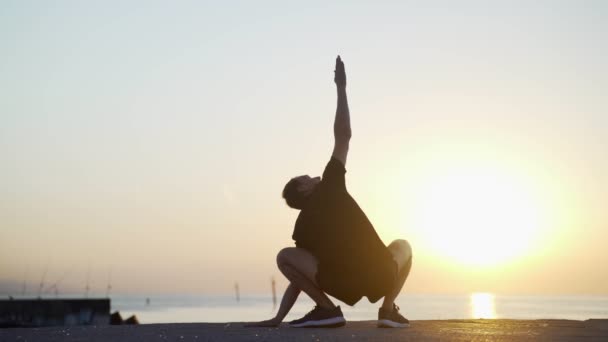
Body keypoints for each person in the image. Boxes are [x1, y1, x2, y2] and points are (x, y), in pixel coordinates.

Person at [247, 56, 413, 329]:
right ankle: (386, 310)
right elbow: (343, 135)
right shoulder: (330, 186)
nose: (313, 175)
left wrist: (279, 318)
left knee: (285, 256)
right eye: (306, 177)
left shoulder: (302, 228)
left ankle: (327, 310)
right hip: (379, 275)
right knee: (403, 246)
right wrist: (341, 89)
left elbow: (298, 278)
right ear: (304, 188)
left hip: (343, 285)